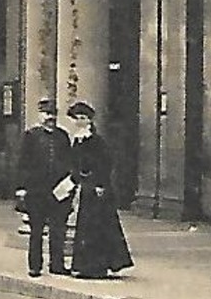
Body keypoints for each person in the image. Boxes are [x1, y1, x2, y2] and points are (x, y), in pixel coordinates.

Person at [67, 103, 133, 279]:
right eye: (77, 118)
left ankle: (98, 266)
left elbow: (105, 163)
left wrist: (100, 184)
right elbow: (74, 163)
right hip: (85, 188)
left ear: (89, 120)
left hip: (97, 189)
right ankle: (84, 265)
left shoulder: (96, 141)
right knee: (86, 226)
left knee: (99, 226)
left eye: (83, 118)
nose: (80, 121)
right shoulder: (78, 139)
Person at [18, 97, 73, 278]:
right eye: (47, 114)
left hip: (58, 190)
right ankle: (35, 265)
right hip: (36, 190)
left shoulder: (62, 136)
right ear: (40, 115)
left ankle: (57, 264)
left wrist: (68, 185)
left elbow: (68, 161)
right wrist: (22, 187)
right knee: (36, 230)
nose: (50, 117)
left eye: (53, 114)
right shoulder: (31, 136)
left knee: (58, 229)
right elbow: (23, 163)